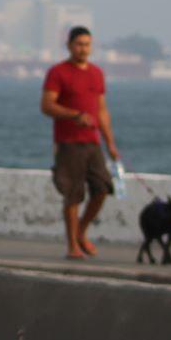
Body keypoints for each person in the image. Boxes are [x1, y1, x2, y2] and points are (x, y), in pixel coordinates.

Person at [39, 26, 120, 260]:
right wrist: (74, 115)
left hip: (92, 142)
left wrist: (110, 143)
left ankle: (81, 231)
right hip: (68, 143)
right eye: (79, 44)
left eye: (87, 44)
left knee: (102, 188)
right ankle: (72, 244)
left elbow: (102, 111)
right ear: (69, 45)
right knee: (73, 193)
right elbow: (47, 106)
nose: (83, 49)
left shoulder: (96, 73)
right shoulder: (58, 72)